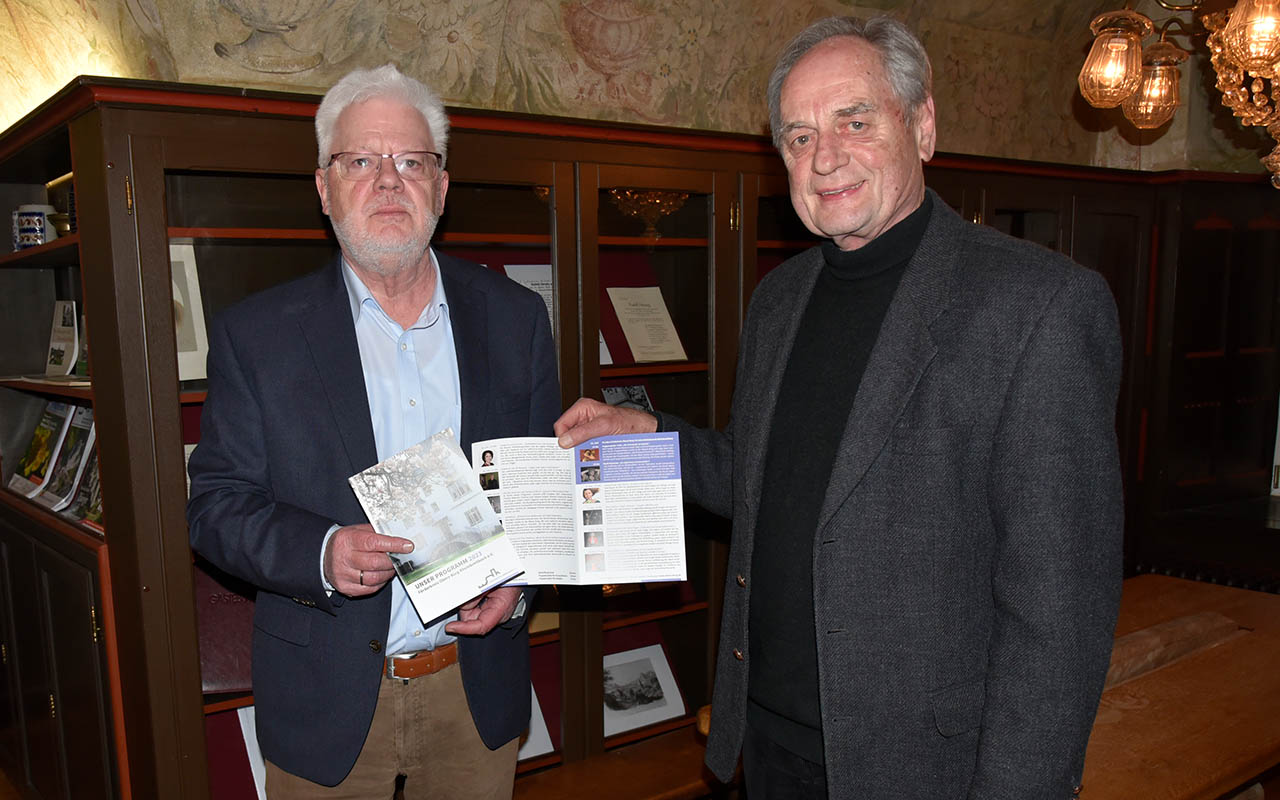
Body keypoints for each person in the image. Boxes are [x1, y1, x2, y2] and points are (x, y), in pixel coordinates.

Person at [554, 15, 1122, 799]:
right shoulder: (781, 299)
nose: (824, 158)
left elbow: (1060, 611)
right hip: (771, 744)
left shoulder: (1038, 307)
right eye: (797, 137)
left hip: (926, 767)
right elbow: (764, 486)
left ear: (921, 126)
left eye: (855, 122)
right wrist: (645, 433)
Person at [187, 64, 560, 798]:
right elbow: (215, 506)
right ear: (325, 189)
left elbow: (540, 488)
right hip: (324, 702)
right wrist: (322, 553)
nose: (388, 181)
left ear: (441, 188)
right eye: (361, 160)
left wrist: (516, 589)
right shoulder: (256, 336)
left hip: (472, 691)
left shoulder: (516, 319)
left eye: (411, 161)